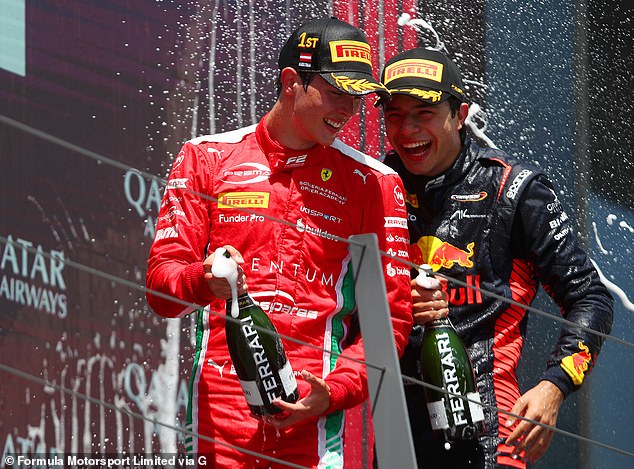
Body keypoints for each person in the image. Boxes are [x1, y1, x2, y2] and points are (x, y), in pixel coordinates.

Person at [145, 17, 413, 468]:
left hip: (314, 430)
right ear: (291, 82)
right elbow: (159, 289)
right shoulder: (205, 158)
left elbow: (390, 322)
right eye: (337, 92)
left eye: (357, 96)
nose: (348, 110)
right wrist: (202, 279)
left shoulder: (376, 183)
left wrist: (336, 391)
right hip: (218, 431)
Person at [378, 48, 614, 468]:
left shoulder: (514, 188)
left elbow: (591, 298)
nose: (407, 129)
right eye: (393, 115)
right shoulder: (375, 186)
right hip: (395, 430)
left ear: (460, 113)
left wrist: (554, 386)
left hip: (491, 432)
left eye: (424, 112)